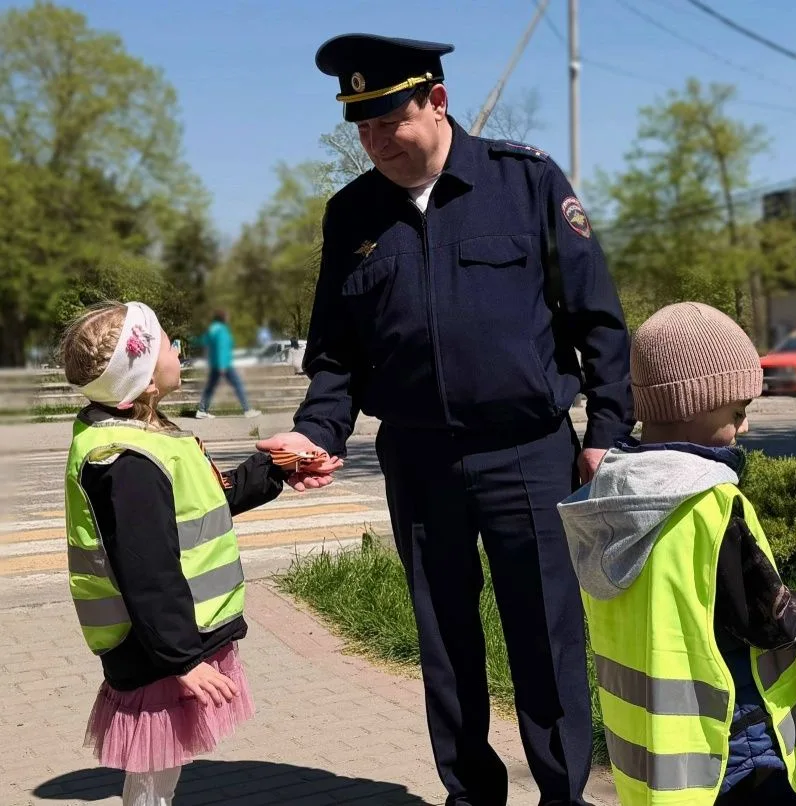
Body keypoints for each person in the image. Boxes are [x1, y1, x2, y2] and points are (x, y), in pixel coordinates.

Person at [256, 34, 634, 806]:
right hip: (419, 461)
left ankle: (562, 794)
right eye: (362, 126)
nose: (375, 141)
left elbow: (596, 317)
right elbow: (336, 353)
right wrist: (318, 431)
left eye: (389, 120)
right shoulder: (351, 214)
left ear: (436, 101)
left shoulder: (524, 181)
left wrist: (606, 433)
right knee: (445, 641)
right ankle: (470, 795)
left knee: (545, 636)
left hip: (527, 452)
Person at [558, 302, 796, 806]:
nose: (744, 428)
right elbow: (772, 616)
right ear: (693, 403)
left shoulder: (613, 499)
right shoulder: (708, 505)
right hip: (729, 748)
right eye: (737, 412)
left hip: (650, 754)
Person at [59, 301, 289, 806]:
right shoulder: (126, 462)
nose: (178, 350)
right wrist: (183, 660)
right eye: (167, 343)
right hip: (157, 648)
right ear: (143, 380)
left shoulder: (144, 436)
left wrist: (276, 468)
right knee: (153, 771)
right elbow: (148, 572)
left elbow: (207, 499)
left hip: (167, 640)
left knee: (160, 770)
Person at [195, 310, 260, 419]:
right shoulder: (221, 330)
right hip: (224, 364)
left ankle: (202, 410)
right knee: (238, 385)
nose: (228, 319)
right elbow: (222, 347)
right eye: (227, 317)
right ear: (223, 318)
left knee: (210, 388)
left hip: (215, 363)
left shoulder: (212, 328)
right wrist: (222, 365)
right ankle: (248, 410)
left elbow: (204, 342)